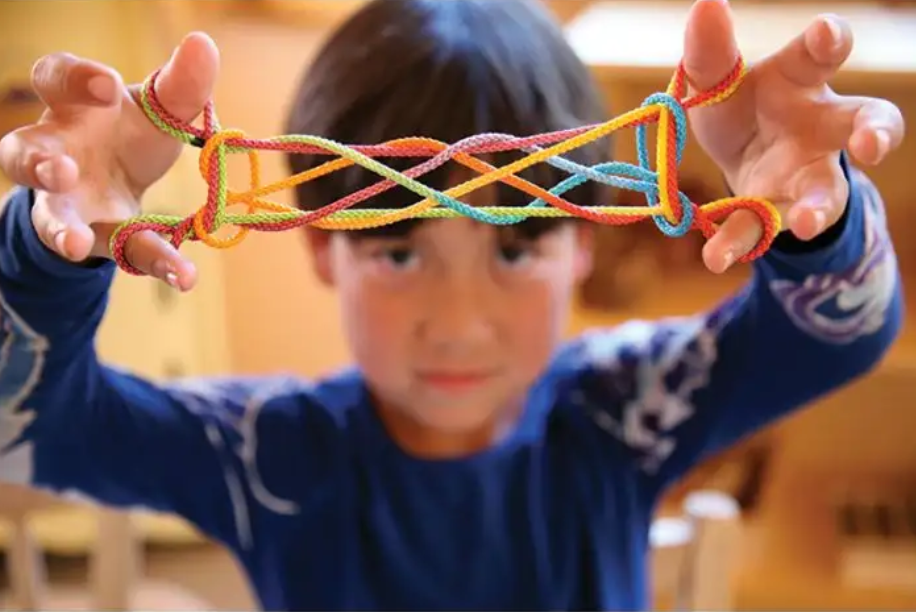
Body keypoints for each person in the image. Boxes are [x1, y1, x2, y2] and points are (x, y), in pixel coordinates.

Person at [0, 0, 906, 609]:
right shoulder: (263, 449)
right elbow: (26, 420)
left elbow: (837, 339)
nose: (461, 318)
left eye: (515, 246)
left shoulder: (624, 405)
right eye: (399, 250)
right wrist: (48, 257)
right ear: (324, 248)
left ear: (585, 240)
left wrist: (809, 222)